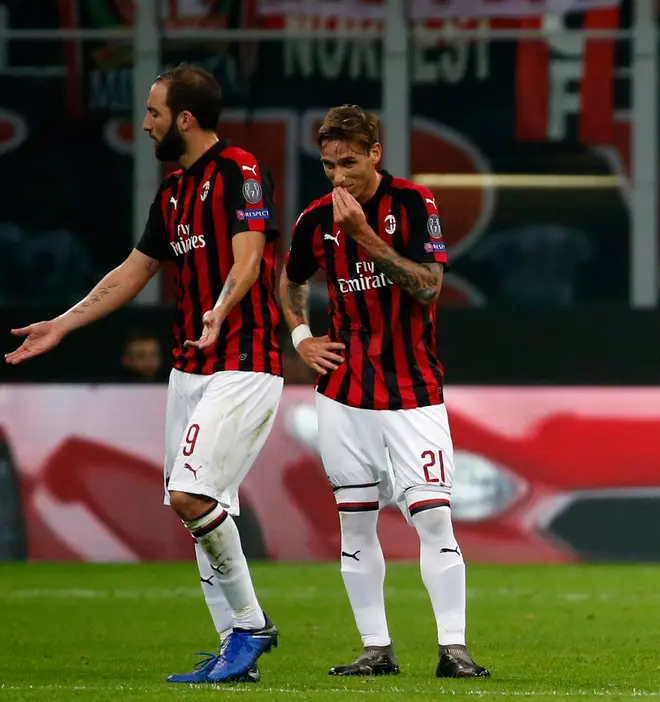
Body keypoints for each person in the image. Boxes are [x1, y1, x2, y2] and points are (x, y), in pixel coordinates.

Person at [6, 64, 283, 684]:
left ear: (185, 118)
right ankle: (233, 652)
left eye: (155, 112)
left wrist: (219, 310)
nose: (146, 122)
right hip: (191, 368)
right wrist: (63, 323)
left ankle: (252, 626)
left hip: (242, 360)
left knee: (192, 496)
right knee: (193, 511)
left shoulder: (239, 170)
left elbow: (251, 255)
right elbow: (131, 274)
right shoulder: (173, 194)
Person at [279, 104, 489, 679]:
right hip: (343, 392)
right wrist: (301, 335)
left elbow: (428, 287)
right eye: (327, 166)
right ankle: (376, 649)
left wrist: (365, 236)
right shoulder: (313, 219)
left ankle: (454, 648)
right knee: (354, 521)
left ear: (375, 153)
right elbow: (291, 276)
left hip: (413, 388)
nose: (338, 177)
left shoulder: (414, 206)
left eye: (348, 162)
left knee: (434, 519)